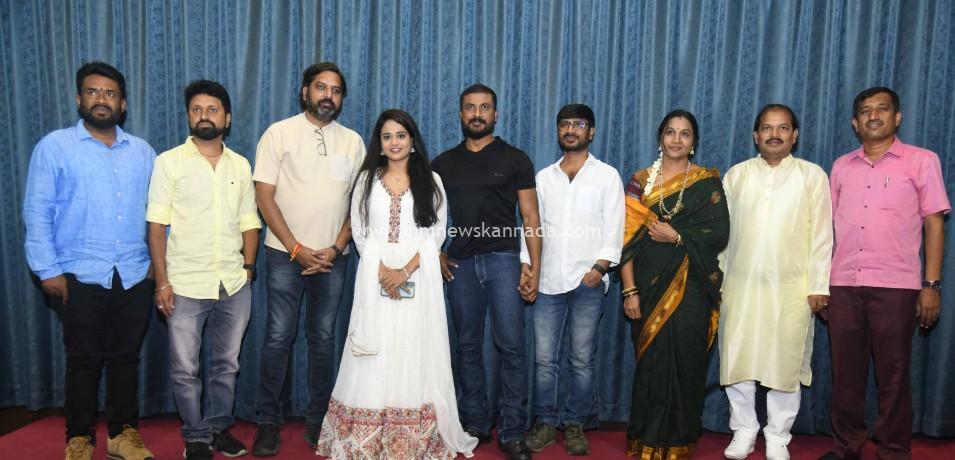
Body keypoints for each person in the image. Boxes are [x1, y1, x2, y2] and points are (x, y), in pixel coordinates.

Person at [315, 109, 478, 459]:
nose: (394, 143)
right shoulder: (366, 181)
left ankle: (414, 436)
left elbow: (436, 234)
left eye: (401, 136)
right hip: (375, 275)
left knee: (412, 346)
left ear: (412, 141)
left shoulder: (431, 180)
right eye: (387, 136)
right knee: (376, 348)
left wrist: (404, 271)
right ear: (379, 142)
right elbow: (360, 232)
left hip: (418, 276)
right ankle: (368, 435)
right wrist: (382, 272)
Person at [23, 62, 157, 460]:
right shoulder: (55, 146)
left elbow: (160, 213)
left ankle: (122, 434)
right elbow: (37, 211)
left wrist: (158, 263)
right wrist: (47, 270)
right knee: (83, 360)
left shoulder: (143, 153)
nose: (101, 99)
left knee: (125, 359)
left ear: (123, 104)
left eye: (110, 93)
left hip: (134, 273)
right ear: (79, 98)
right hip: (77, 273)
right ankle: (79, 436)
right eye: (93, 91)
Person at [819, 87, 949, 460]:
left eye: (882, 109)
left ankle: (893, 450)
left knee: (893, 374)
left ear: (897, 117)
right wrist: (821, 284)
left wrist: (931, 285)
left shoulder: (922, 161)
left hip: (896, 286)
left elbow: (934, 224)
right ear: (854, 122)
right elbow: (827, 229)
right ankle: (846, 446)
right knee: (846, 374)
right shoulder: (841, 166)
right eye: (865, 111)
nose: (873, 116)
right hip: (844, 284)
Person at [251, 62, 366, 456]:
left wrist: (335, 247)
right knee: (277, 338)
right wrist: (296, 249)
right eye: (320, 87)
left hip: (334, 259)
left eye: (335, 90)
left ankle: (320, 421)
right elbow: (264, 196)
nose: (327, 95)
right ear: (305, 92)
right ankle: (269, 422)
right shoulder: (278, 133)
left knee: (323, 340)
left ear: (341, 98)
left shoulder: (353, 142)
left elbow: (359, 203)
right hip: (284, 255)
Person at [146, 80, 261, 460]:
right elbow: (156, 225)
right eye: (196, 110)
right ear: (188, 116)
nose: (204, 116)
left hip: (233, 283)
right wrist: (162, 282)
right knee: (185, 369)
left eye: (212, 110)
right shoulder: (169, 163)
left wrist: (248, 269)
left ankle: (218, 428)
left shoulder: (240, 165)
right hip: (184, 283)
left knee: (227, 365)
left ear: (227, 118)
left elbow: (249, 222)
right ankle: (195, 437)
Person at [431, 84, 542, 460]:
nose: (477, 114)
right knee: (466, 346)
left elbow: (530, 216)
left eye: (484, 107)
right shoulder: (442, 164)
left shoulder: (515, 159)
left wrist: (534, 268)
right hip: (460, 265)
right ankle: (475, 421)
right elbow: (425, 216)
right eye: (470, 107)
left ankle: (512, 431)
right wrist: (436, 252)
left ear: (495, 114)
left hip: (504, 260)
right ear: (460, 114)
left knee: (511, 345)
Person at [719, 104, 833, 460]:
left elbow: (822, 234)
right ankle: (744, 430)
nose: (774, 134)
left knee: (785, 362)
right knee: (737, 357)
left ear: (794, 135)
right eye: (767, 128)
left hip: (793, 288)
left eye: (782, 128)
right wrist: (717, 281)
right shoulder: (736, 175)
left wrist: (819, 285)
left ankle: (778, 436)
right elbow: (721, 234)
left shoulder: (812, 176)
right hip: (740, 284)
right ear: (756, 135)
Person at [619, 109, 730, 459]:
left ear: (693, 142)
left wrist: (678, 236)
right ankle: (646, 442)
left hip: (692, 286)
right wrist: (629, 290)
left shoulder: (707, 182)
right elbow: (624, 239)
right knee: (651, 366)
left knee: (686, 364)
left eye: (685, 133)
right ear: (660, 138)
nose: (677, 139)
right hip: (646, 287)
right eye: (670, 132)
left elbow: (719, 233)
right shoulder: (639, 181)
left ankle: (679, 444)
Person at [522, 104, 624, 456]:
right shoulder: (543, 177)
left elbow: (615, 225)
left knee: (581, 360)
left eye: (579, 124)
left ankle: (576, 423)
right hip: (548, 280)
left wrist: (599, 269)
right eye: (564, 124)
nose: (571, 130)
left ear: (591, 132)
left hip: (587, 282)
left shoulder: (606, 176)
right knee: (544, 360)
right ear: (558, 131)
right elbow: (531, 224)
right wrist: (527, 265)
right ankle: (546, 423)